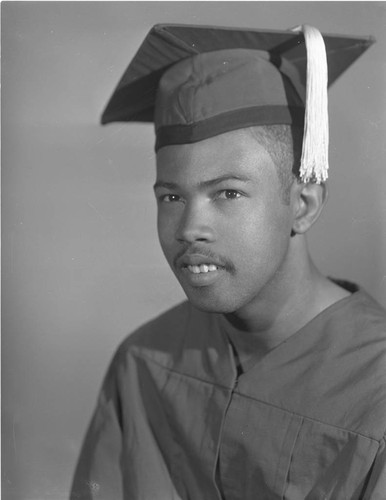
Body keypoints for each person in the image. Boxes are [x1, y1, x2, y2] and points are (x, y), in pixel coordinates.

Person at [70, 24, 386, 499]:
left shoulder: (375, 389)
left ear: (302, 204)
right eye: (172, 196)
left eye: (228, 193)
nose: (189, 227)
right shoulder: (144, 361)